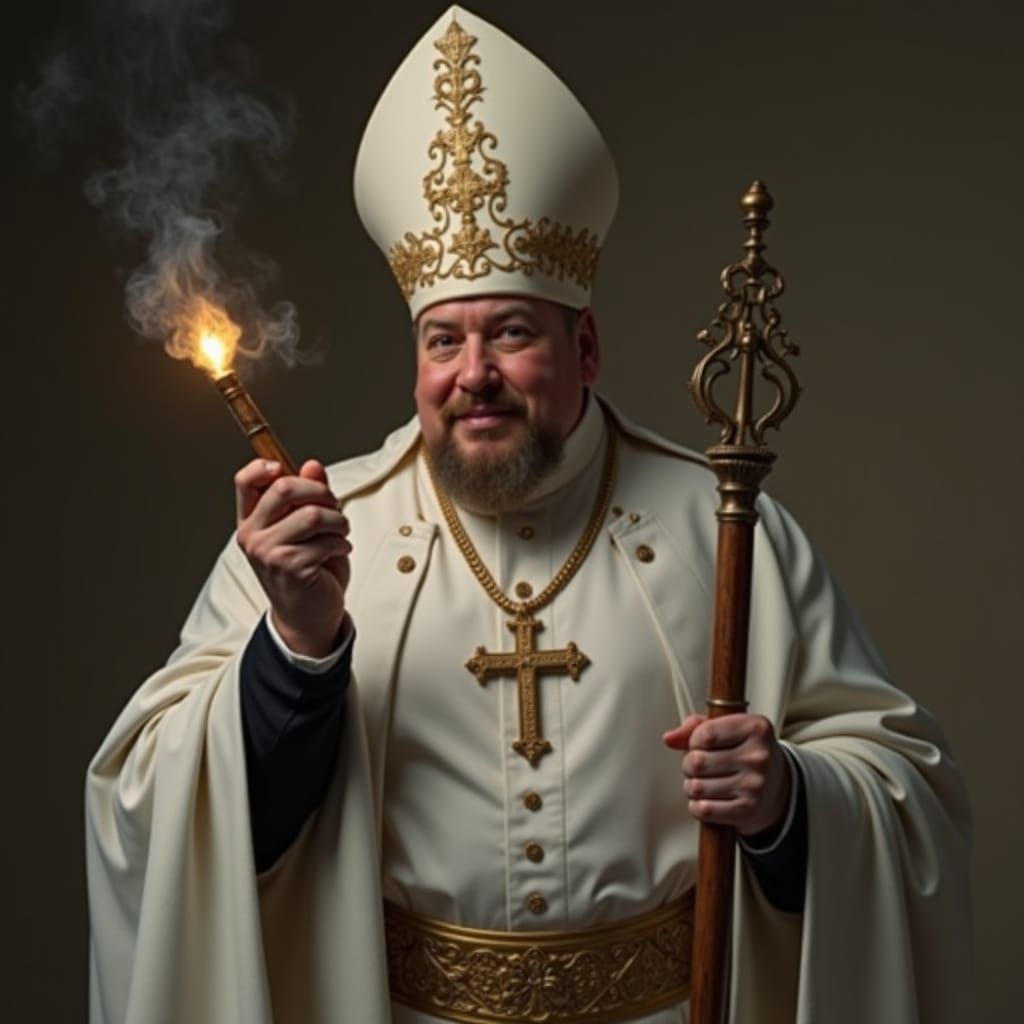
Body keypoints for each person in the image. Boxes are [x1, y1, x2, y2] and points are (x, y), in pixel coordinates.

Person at [85, 6, 973, 1023]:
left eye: (511, 333)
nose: (474, 377)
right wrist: (298, 643)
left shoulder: (721, 525)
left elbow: (908, 794)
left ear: (583, 348)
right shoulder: (315, 536)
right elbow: (148, 805)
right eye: (442, 342)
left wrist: (785, 800)